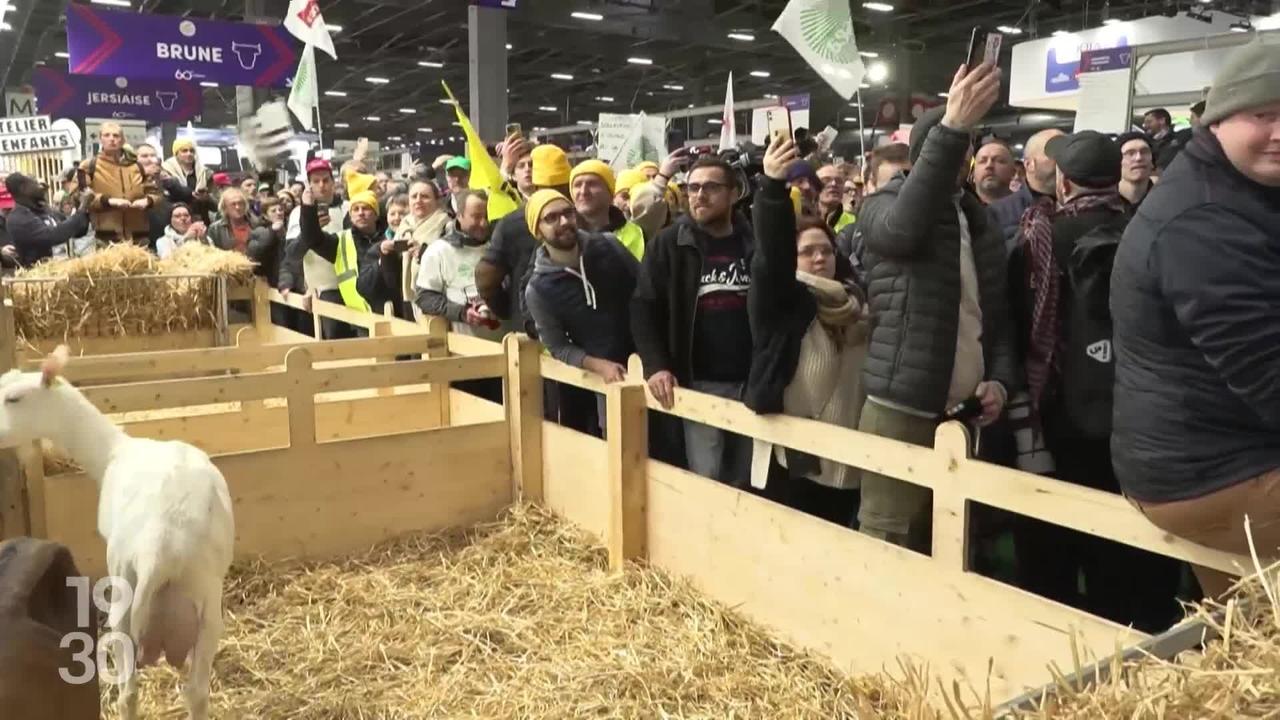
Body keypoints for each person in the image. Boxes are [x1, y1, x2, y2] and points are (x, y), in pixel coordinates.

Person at [1111, 39, 1280, 601]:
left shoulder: (1244, 190)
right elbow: (1271, 377)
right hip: (1213, 471)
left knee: (1251, 629)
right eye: (1265, 114)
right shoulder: (1205, 221)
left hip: (1216, 450)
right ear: (1220, 119)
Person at [1010, 130, 1183, 631]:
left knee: (1056, 536)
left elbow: (1024, 328)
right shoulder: (1147, 231)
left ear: (1063, 182)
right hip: (1137, 414)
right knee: (1127, 538)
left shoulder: (1038, 239)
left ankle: (1061, 634)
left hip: (1059, 412)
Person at [855, 62, 1018, 553]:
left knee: (954, 543)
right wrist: (950, 127)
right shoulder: (881, 206)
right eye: (957, 145)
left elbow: (998, 316)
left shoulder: (979, 220)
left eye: (965, 148)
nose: (965, 159)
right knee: (888, 539)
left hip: (966, 413)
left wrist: (1002, 384)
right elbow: (903, 231)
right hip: (899, 407)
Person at [745, 135, 870, 524]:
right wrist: (772, 189)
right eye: (807, 251)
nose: (819, 257)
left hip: (850, 463)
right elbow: (770, 258)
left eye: (826, 250)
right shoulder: (782, 301)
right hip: (794, 460)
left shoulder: (858, 304)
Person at [632, 155, 755, 487]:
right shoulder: (669, 243)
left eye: (711, 187)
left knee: (745, 479)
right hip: (697, 381)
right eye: (693, 187)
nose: (699, 195)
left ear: (734, 193)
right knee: (707, 478)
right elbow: (644, 307)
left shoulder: (752, 242)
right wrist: (656, 364)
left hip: (751, 383)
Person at [524, 189, 639, 428]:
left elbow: (645, 291)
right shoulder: (538, 289)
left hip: (648, 364)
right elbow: (557, 346)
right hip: (606, 382)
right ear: (537, 230)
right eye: (551, 218)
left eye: (568, 213)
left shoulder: (608, 245)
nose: (564, 222)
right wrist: (598, 365)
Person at [416, 190, 505, 401]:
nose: (483, 223)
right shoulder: (439, 252)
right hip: (462, 355)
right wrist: (462, 313)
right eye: (476, 217)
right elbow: (425, 297)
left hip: (504, 352)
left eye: (487, 216)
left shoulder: (501, 246)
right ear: (459, 215)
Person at [476, 144, 574, 331]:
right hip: (578, 335)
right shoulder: (581, 217)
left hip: (529, 333)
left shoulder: (512, 223)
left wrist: (509, 310)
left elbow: (485, 279)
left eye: (530, 165)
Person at [297, 183, 383, 324]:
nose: (360, 213)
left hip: (389, 314)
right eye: (355, 209)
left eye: (366, 208)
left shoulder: (388, 239)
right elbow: (312, 238)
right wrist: (308, 208)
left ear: (376, 214)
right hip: (357, 318)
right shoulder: (341, 241)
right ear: (350, 216)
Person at [281, 158, 345, 339]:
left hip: (351, 287)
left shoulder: (348, 209)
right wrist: (310, 230)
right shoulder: (297, 214)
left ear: (333, 182)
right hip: (321, 290)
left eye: (326, 180)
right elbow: (293, 254)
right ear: (309, 185)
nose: (322, 185)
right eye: (316, 181)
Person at [78, 121, 160, 247]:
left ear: (122, 140)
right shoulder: (89, 166)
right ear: (100, 139)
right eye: (107, 135)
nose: (112, 139)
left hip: (138, 236)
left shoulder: (136, 166)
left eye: (116, 136)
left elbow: (156, 192)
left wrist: (148, 201)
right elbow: (80, 196)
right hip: (106, 236)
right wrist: (108, 201)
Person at [989, 131, 1063, 254]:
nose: (1063, 158)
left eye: (1066, 152)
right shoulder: (998, 212)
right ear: (1029, 164)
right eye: (1054, 152)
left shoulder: (1081, 207)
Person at [2, 173, 92, 267]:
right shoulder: (18, 218)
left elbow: (77, 231)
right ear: (23, 188)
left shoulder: (45, 210)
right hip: (40, 277)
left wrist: (79, 204)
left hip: (63, 272)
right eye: (35, 184)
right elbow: (52, 236)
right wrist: (82, 207)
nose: (40, 187)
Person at [570, 160, 646, 260]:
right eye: (577, 185)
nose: (583, 191)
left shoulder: (634, 233)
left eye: (592, 184)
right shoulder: (565, 233)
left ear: (610, 192)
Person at [161, 138, 214, 223]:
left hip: (201, 219)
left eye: (192, 151)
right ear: (176, 154)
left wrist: (206, 198)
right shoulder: (166, 171)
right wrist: (192, 194)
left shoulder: (205, 173)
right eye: (184, 151)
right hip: (177, 221)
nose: (189, 154)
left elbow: (216, 204)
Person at [207, 189, 257, 254]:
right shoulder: (215, 229)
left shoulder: (256, 223)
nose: (237, 207)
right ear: (225, 208)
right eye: (233, 204)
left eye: (240, 203)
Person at [1116, 131, 1156, 208]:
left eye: (1144, 152)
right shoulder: (1105, 203)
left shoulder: (1166, 199)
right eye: (1130, 153)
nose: (1139, 158)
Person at [972, 139, 1017, 206]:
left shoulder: (1027, 209)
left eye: (999, 161)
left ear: (1013, 172)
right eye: (982, 161)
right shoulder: (960, 208)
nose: (989, 165)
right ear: (973, 173)